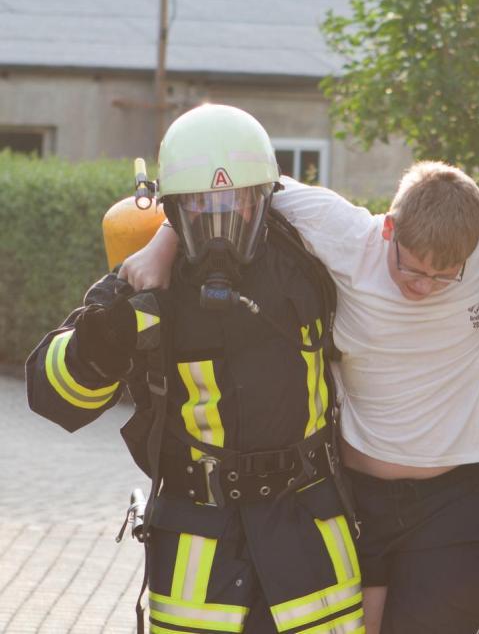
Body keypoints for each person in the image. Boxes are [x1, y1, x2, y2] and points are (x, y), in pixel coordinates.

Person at [121, 125, 479, 632]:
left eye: (445, 276)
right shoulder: (345, 233)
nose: (424, 286)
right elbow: (234, 179)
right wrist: (164, 241)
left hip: (457, 501)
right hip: (357, 498)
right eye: (412, 268)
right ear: (389, 229)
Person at [26, 104, 364, 633]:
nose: (221, 226)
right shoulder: (145, 287)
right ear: (173, 210)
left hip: (310, 544)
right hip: (199, 556)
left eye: (238, 203)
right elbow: (51, 396)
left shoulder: (309, 262)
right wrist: (104, 340)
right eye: (202, 206)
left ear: (264, 199)